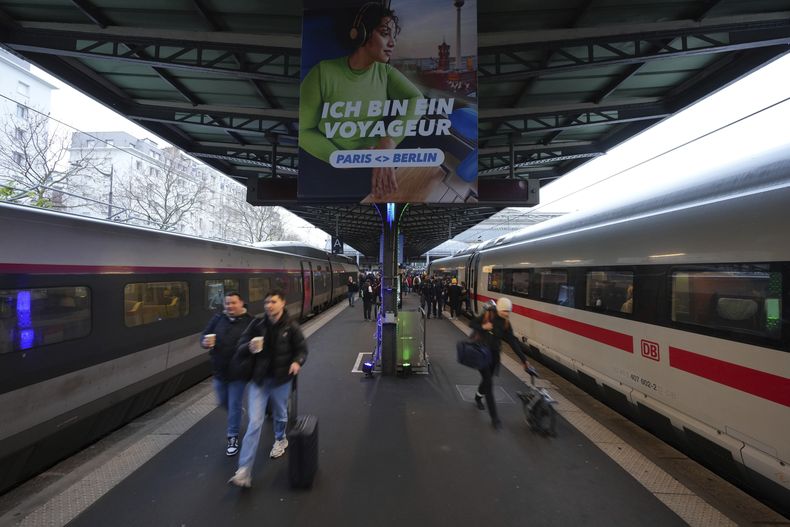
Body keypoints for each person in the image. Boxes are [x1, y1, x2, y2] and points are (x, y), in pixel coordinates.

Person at [299, 3, 423, 200]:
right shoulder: (323, 73)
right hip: (330, 165)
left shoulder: (385, 73)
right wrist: (341, 158)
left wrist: (389, 141)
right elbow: (304, 131)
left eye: (393, 36)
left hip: (375, 163)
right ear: (362, 33)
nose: (392, 43)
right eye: (385, 33)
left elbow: (417, 99)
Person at [228, 290, 308, 488]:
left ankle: (280, 439)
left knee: (281, 414)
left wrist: (297, 362)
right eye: (266, 302)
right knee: (255, 422)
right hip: (260, 381)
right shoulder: (257, 324)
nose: (269, 305)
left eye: (273, 302)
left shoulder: (292, 326)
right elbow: (240, 346)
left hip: (281, 380)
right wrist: (249, 347)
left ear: (283, 303)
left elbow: (302, 349)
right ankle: (244, 471)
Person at [200, 291, 253, 456]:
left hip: (239, 372)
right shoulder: (217, 320)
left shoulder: (250, 322)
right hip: (220, 371)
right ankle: (236, 414)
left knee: (234, 404)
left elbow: (259, 341)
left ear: (241, 303)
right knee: (223, 402)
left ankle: (232, 436)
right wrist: (205, 342)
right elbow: (203, 337)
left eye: (233, 303)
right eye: (227, 303)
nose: (230, 306)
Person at [469, 298, 531, 429]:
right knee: (489, 384)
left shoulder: (506, 323)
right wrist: (483, 326)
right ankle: (495, 418)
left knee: (487, 380)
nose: (507, 314)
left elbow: (513, 342)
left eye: (509, 312)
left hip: (494, 356)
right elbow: (472, 323)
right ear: (499, 309)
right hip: (481, 353)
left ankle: (478, 397)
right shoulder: (488, 315)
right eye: (505, 311)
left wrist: (524, 360)